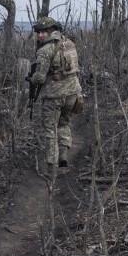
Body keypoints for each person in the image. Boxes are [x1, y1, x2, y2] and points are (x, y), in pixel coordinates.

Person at [28, 17, 82, 175]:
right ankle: (64, 159)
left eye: (42, 32)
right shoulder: (70, 44)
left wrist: (31, 78)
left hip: (54, 95)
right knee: (64, 123)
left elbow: (40, 78)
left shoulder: (45, 50)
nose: (39, 35)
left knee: (50, 129)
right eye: (38, 32)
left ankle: (51, 167)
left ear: (51, 31)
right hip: (73, 93)